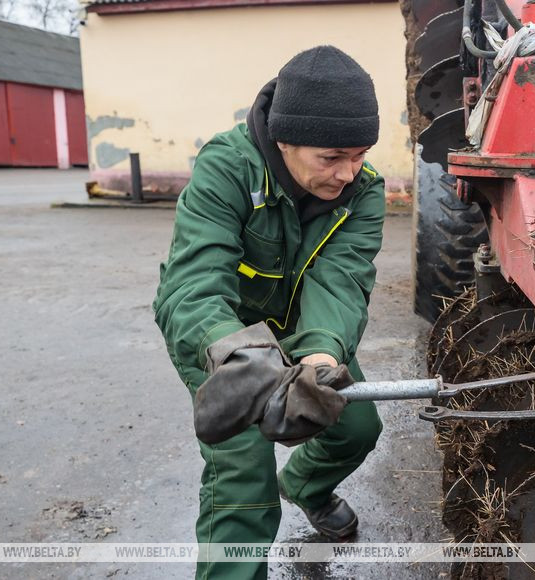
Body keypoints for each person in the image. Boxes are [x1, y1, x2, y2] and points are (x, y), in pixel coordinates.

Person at [152, 45, 385, 579]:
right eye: (331, 158)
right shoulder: (227, 168)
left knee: (355, 428)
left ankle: (304, 485)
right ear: (284, 140)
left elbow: (341, 280)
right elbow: (195, 283)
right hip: (219, 333)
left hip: (295, 330)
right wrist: (239, 356)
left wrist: (320, 359)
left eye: (360, 154)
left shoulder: (363, 191)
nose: (350, 172)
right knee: (243, 475)